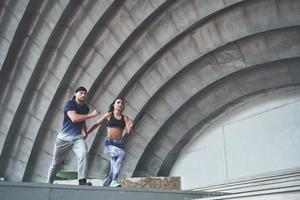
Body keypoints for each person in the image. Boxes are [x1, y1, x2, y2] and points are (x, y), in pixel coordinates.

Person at [47, 86, 100, 186]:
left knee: (84, 153)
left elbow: (82, 119)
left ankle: (82, 181)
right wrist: (92, 115)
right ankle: (48, 184)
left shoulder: (85, 108)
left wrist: (84, 130)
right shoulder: (70, 104)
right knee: (56, 163)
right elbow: (74, 118)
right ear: (75, 94)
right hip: (64, 138)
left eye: (85, 93)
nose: (83, 95)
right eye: (81, 93)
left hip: (77, 138)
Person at [87, 97, 134, 187]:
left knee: (113, 166)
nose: (120, 104)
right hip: (109, 144)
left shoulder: (125, 118)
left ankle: (107, 183)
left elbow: (129, 132)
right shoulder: (109, 115)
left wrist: (131, 126)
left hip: (119, 144)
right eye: (118, 102)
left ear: (123, 107)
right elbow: (97, 124)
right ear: (114, 105)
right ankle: (114, 181)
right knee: (122, 154)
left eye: (122, 103)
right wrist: (87, 132)